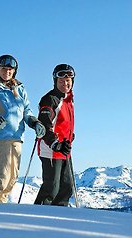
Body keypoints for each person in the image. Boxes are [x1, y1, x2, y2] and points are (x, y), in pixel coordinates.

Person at [0, 54, 45, 203]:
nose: (7, 72)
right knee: (1, 179)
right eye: (3, 69)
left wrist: (34, 123)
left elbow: (27, 111)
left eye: (10, 69)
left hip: (17, 138)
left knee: (11, 181)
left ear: (14, 71)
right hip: (1, 138)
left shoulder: (19, 89)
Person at [34, 64, 76, 206]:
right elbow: (45, 123)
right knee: (51, 188)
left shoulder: (68, 100)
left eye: (68, 80)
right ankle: (38, 217)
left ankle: (58, 218)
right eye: (62, 81)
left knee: (66, 187)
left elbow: (63, 122)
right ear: (55, 81)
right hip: (51, 149)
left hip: (64, 149)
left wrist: (70, 136)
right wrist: (55, 143)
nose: (66, 83)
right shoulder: (50, 99)